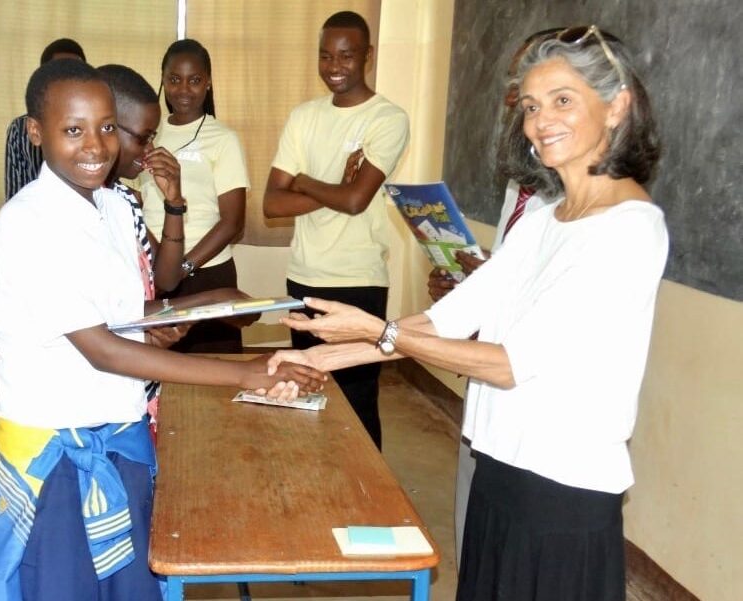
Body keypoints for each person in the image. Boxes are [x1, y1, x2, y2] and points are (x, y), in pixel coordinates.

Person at [270, 25, 667, 601]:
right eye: (531, 105)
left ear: (617, 107)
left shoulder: (630, 228)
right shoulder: (544, 216)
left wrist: (376, 331)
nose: (540, 120)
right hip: (500, 465)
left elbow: (510, 365)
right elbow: (454, 314)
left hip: (563, 490)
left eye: (563, 100)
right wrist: (326, 355)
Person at [0, 58, 324, 601]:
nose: (95, 146)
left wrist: (208, 302)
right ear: (35, 132)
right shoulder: (27, 223)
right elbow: (103, 350)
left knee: (132, 586)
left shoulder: (113, 206)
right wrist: (245, 374)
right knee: (64, 587)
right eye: (73, 130)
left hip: (121, 436)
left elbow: (128, 314)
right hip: (57, 458)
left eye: (107, 128)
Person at [427, 30, 560, 564]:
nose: (520, 104)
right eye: (520, 94)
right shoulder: (523, 184)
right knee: (475, 535)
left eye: (548, 95)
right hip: (486, 396)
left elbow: (542, 313)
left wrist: (380, 334)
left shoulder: (590, 206)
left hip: (537, 425)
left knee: (516, 555)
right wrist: (469, 285)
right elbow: (509, 271)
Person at [263, 10, 410, 450]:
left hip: (358, 280)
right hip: (304, 275)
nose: (334, 67)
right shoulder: (304, 116)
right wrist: (337, 186)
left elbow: (355, 201)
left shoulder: (387, 118)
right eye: (325, 56)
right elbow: (272, 203)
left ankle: (368, 500)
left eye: (346, 56)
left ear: (367, 55)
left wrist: (303, 180)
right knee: (307, 386)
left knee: (358, 400)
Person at [140, 39, 247, 353]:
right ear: (162, 80)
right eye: (174, 79)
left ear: (208, 82)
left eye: (194, 80)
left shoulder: (223, 139)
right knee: (158, 371)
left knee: (216, 372)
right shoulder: (148, 134)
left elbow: (232, 222)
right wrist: (160, 270)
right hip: (154, 271)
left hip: (208, 273)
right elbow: (139, 201)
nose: (183, 89)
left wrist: (181, 268)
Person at [4, 38, 86, 201]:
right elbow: (15, 194)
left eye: (75, 71)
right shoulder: (21, 129)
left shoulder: (95, 126)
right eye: (60, 71)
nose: (68, 78)